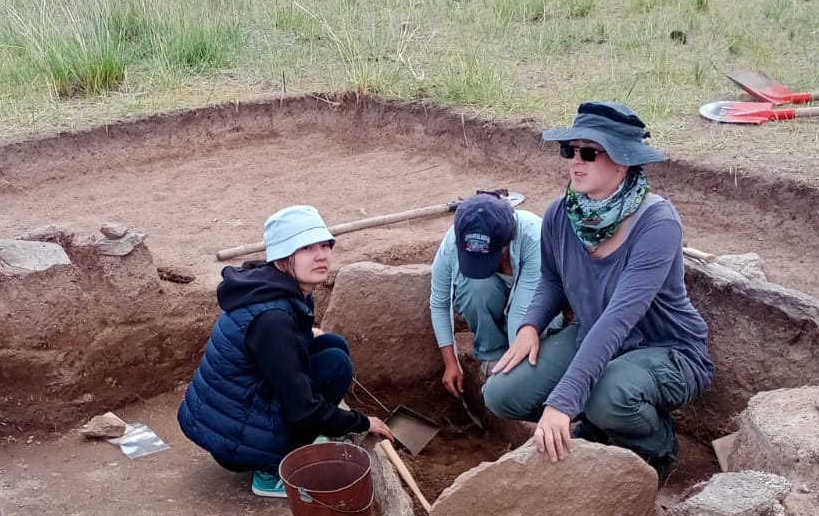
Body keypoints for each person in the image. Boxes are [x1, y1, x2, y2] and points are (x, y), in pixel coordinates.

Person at [491, 101, 713, 482]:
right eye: (570, 150)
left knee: (604, 394)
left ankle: (656, 449)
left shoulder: (658, 224)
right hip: (594, 335)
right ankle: (599, 427)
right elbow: (553, 281)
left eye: (590, 153)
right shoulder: (563, 213)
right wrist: (530, 325)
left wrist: (563, 402)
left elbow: (619, 318)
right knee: (502, 394)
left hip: (666, 349)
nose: (576, 162)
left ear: (623, 162)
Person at [178, 204, 394, 497]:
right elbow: (302, 407)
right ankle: (272, 470)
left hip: (227, 419)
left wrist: (307, 333)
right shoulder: (272, 320)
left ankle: (286, 445)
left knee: (332, 346)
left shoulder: (272, 285)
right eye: (306, 248)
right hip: (236, 440)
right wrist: (360, 422)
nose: (321, 255)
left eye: (324, 245)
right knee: (335, 366)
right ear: (281, 255)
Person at [428, 190, 562, 419]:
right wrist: (451, 363)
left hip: (533, 309)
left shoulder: (535, 238)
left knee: (522, 358)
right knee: (477, 287)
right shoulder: (454, 240)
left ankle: (512, 366)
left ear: (505, 243)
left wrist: (510, 378)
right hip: (494, 302)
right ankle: (491, 354)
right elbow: (439, 303)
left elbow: (522, 317)